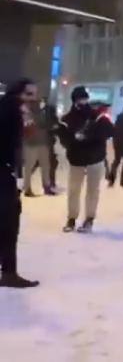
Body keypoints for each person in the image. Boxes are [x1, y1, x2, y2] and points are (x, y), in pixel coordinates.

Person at [0, 79, 39, 288]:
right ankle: (9, 273)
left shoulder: (9, 107)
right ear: (19, 93)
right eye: (30, 94)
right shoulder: (13, 110)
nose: (33, 98)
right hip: (3, 173)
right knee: (9, 223)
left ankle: (8, 271)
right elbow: (23, 137)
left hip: (6, 171)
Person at [61, 88, 112, 233]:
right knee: (73, 190)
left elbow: (109, 132)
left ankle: (89, 219)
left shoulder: (97, 116)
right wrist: (73, 139)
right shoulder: (67, 118)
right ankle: (71, 218)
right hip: (76, 159)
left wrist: (89, 136)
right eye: (79, 99)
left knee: (92, 190)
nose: (82, 101)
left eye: (84, 98)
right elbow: (64, 140)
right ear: (74, 100)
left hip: (95, 158)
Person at [21, 98, 54, 197]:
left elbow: (46, 125)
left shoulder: (42, 113)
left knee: (45, 166)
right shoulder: (27, 114)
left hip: (42, 143)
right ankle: (27, 188)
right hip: (31, 144)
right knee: (29, 167)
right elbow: (39, 124)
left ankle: (46, 186)